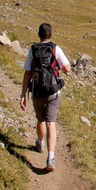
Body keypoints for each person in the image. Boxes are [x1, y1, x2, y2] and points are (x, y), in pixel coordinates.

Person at [20, 22, 71, 173]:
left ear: (39, 34)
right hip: (53, 91)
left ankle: (40, 143)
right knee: (51, 123)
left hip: (37, 92)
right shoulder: (55, 49)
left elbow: (27, 73)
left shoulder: (33, 50)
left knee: (40, 119)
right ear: (51, 34)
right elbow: (67, 68)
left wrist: (23, 94)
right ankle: (51, 157)